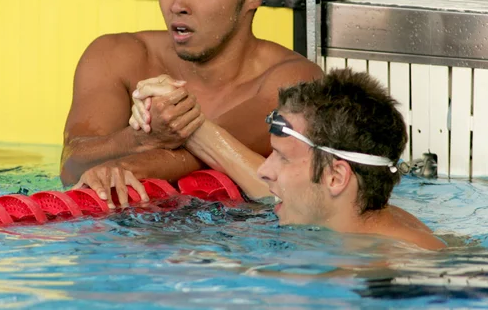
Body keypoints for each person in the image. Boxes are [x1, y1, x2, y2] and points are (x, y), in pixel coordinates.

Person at [61, 0, 323, 208]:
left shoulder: (291, 82)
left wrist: (123, 165)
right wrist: (141, 139)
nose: (177, 4)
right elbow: (71, 165)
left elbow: (194, 158)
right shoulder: (117, 56)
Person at [130, 68, 444, 250]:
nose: (265, 171)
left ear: (336, 177)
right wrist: (167, 104)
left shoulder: (401, 263)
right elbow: (245, 168)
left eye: (281, 158)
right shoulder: (345, 210)